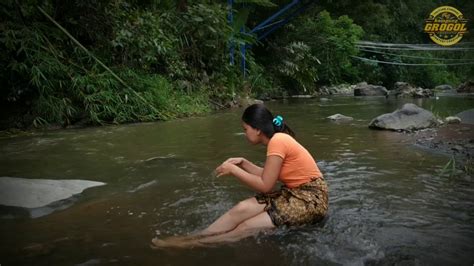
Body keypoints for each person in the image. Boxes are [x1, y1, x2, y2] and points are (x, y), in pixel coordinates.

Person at [151, 104, 328, 248]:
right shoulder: (278, 140)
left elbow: (266, 185)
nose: (245, 133)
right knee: (241, 208)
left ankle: (193, 244)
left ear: (257, 129)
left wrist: (235, 171)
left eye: (245, 129)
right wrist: (243, 162)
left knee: (245, 226)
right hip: (294, 192)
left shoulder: (278, 141)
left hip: (311, 199)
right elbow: (268, 175)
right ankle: (195, 236)